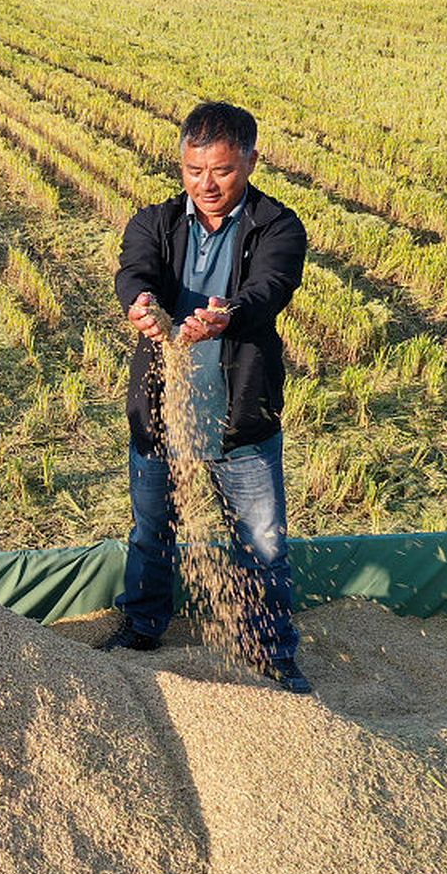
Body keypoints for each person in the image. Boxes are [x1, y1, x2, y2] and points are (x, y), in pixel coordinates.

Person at [101, 101, 312, 694]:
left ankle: (269, 650)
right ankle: (143, 628)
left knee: (262, 544)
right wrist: (140, 304)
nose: (206, 184)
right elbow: (133, 269)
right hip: (164, 411)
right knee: (150, 533)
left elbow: (270, 286)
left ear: (249, 160)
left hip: (240, 415)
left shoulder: (277, 226)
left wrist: (229, 315)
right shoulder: (155, 221)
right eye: (194, 171)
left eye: (220, 170)